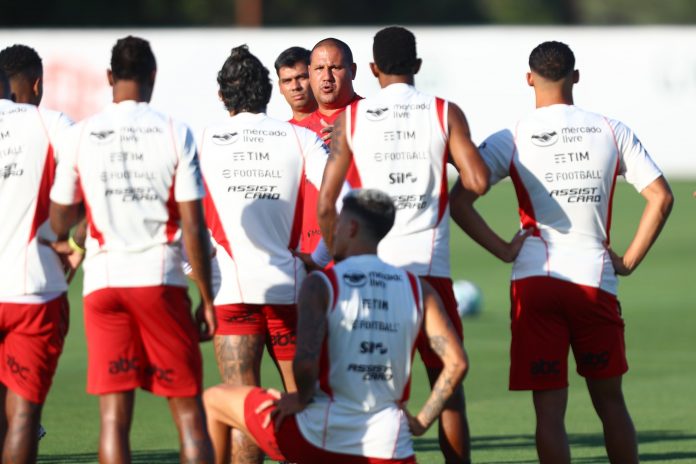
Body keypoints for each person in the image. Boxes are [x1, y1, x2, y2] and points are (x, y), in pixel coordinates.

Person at [449, 41, 673, 463]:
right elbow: (661, 198)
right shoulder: (612, 129)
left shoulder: (510, 136)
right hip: (595, 280)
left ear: (529, 78)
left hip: (535, 282)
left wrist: (501, 249)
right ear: (576, 77)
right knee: (611, 405)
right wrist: (627, 261)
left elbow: (458, 201)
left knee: (549, 413)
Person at [317, 26, 489, 464]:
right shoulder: (443, 112)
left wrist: (338, 257)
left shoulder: (350, 119)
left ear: (372, 70)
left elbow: (325, 203)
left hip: (370, 269)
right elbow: (478, 181)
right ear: (417, 66)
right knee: (446, 387)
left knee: (363, 384)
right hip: (429, 269)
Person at [204, 188, 468, 464]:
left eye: (337, 222)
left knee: (214, 399)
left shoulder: (322, 284)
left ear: (351, 227)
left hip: (321, 438)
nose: (331, 230)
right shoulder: (420, 289)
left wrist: (301, 398)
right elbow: (457, 363)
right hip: (392, 447)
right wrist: (423, 420)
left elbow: (305, 362)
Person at [48, 36, 216, 464]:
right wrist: (207, 299)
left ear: (109, 78)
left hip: (102, 285)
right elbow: (193, 224)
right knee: (188, 414)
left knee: (112, 419)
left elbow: (60, 220)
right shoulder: (175, 131)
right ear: (152, 77)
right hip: (158, 280)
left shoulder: (81, 134)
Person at [199, 44, 328, 464]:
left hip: (229, 289)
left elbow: (181, 215)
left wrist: (197, 272)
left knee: (242, 411)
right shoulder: (301, 136)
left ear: (222, 97)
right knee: (302, 405)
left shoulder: (201, 140)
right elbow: (335, 200)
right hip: (289, 288)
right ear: (269, 91)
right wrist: (319, 256)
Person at [0, 68, 75, 463]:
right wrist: (73, 241)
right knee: (24, 413)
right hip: (32, 287)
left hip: (30, 288)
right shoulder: (50, 122)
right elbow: (85, 178)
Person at [294, 37, 362, 256]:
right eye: (319, 69)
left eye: (335, 68)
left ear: (352, 70)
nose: (327, 77)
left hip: (360, 249)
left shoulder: (374, 120)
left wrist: (357, 141)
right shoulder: (293, 132)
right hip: (307, 257)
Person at [274, 46, 317, 124]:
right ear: (280, 87)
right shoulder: (281, 132)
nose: (295, 87)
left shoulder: (340, 124)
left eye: (301, 77)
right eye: (287, 81)